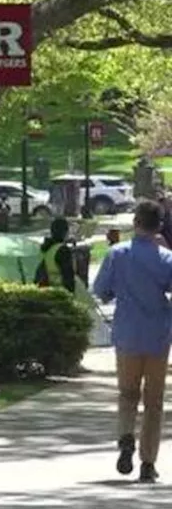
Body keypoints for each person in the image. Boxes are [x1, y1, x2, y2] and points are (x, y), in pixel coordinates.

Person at [92, 200, 172, 483]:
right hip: (158, 336)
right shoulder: (165, 258)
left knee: (127, 394)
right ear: (158, 226)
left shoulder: (117, 254)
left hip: (127, 333)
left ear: (136, 223)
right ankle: (148, 462)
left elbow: (101, 291)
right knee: (153, 401)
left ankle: (126, 436)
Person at [35, 217, 77, 294]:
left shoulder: (47, 248)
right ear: (65, 232)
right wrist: (71, 294)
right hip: (61, 294)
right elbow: (68, 276)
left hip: (47, 292)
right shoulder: (63, 250)